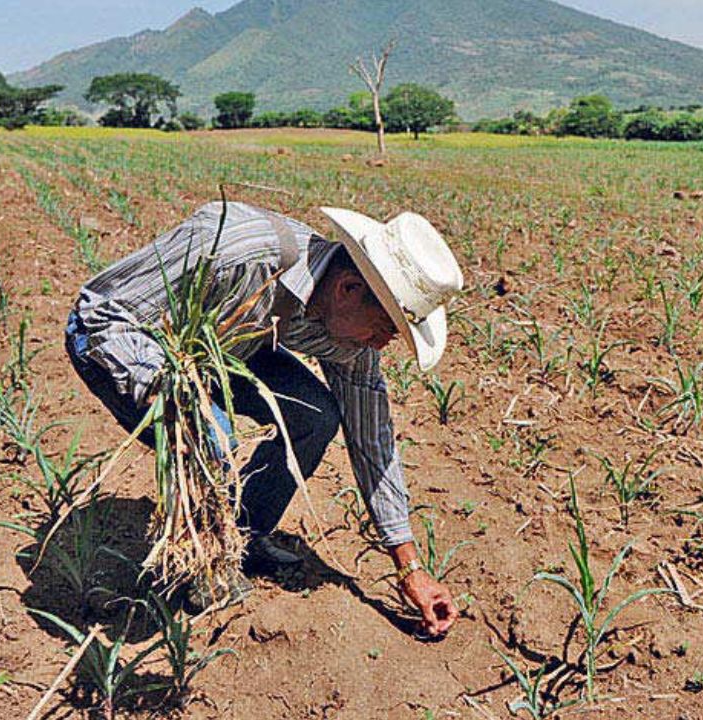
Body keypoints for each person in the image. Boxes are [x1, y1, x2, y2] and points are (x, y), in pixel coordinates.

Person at [63, 200, 464, 637]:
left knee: (315, 416)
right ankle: (201, 563)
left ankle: (242, 538)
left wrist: (409, 566)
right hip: (122, 344)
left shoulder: (351, 332)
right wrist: (170, 390)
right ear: (348, 289)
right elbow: (99, 313)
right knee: (212, 432)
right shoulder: (236, 253)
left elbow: (372, 436)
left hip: (228, 347)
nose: (381, 346)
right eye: (384, 329)